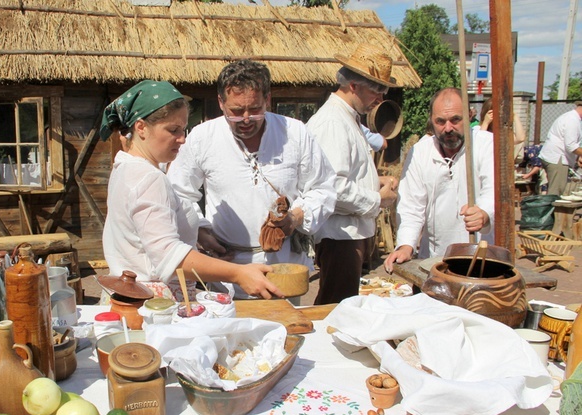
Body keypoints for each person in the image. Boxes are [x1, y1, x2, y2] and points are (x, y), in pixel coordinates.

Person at [167, 60, 336, 298]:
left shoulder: (295, 133)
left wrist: (296, 217)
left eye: (255, 109)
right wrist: (201, 232)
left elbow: (323, 188)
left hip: (282, 270)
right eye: (236, 112)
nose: (246, 119)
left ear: (268, 100)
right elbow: (179, 193)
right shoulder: (203, 138)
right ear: (221, 102)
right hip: (226, 272)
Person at [99, 80, 281, 301]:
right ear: (141, 128)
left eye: (183, 129)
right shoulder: (148, 178)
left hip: (130, 299)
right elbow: (169, 256)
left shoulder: (125, 168)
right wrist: (239, 273)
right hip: (153, 305)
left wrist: (199, 243)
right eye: (173, 130)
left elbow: (146, 242)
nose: (182, 139)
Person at [305, 43, 399, 304]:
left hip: (348, 236)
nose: (379, 99)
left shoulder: (348, 118)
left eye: (383, 91)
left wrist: (374, 181)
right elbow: (333, 187)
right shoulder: (333, 122)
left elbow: (345, 173)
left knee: (342, 305)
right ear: (354, 86)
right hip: (340, 237)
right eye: (376, 90)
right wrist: (378, 200)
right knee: (335, 308)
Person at [384, 88, 495, 272]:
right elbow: (411, 205)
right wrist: (406, 244)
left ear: (469, 115)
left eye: (455, 120)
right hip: (434, 260)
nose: (448, 128)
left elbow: (494, 191)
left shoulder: (486, 144)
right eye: (440, 122)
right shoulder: (420, 152)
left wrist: (483, 213)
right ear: (432, 120)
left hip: (480, 257)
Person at [538, 100, 582, 195]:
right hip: (558, 159)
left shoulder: (571, 117)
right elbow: (571, 146)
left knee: (555, 190)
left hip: (554, 157)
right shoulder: (572, 120)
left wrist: (578, 156)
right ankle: (551, 210)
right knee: (556, 192)